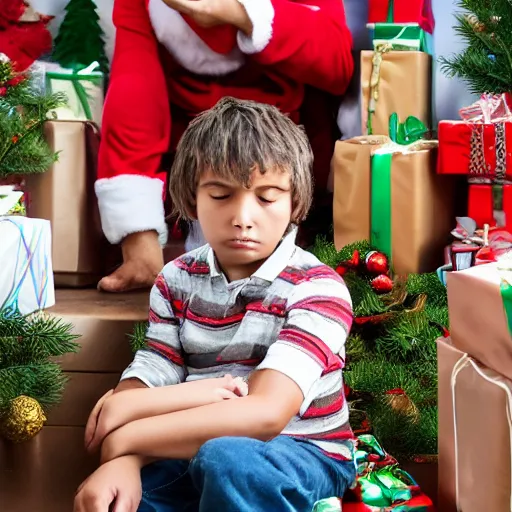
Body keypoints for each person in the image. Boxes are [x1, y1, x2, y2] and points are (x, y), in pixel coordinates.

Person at [75, 98, 355, 512]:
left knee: (226, 460)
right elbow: (157, 366)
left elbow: (266, 413)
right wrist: (124, 459)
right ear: (192, 200)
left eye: (267, 197)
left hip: (303, 451)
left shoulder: (316, 287)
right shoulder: (176, 279)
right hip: (192, 444)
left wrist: (124, 437)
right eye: (221, 195)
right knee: (119, 498)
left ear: (295, 203)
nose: (243, 217)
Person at [95, 0, 354, 293]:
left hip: (289, 165)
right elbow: (134, 96)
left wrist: (241, 13)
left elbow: (337, 65)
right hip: (194, 172)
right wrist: (139, 238)